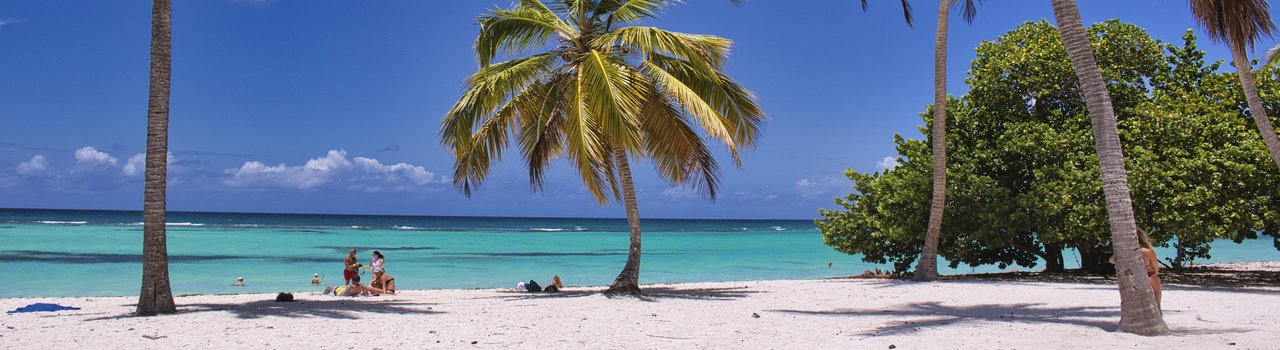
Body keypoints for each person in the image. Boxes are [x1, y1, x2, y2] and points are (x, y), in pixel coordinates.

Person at [1110, 229, 1162, 309]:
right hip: (1150, 277)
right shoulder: (1148, 251)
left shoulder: (1126, 252)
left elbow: (1111, 260)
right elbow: (1156, 268)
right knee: (1156, 304)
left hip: (1134, 279)